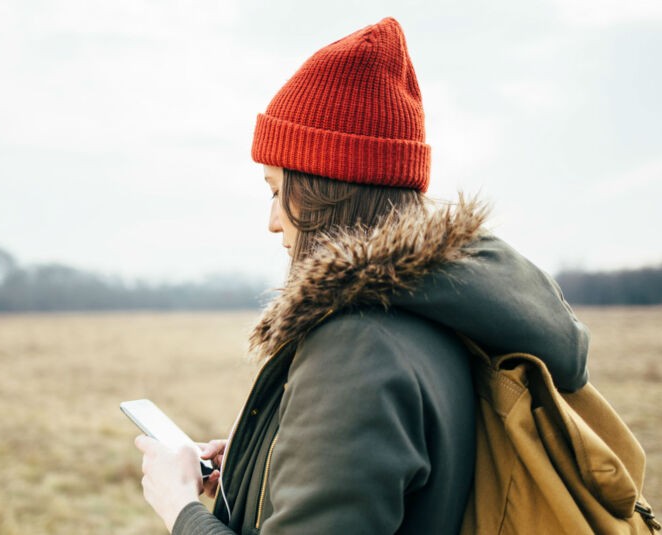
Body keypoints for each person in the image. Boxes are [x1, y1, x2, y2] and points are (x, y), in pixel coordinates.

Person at [134, 17, 589, 534]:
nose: (272, 220)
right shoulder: (429, 311)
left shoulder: (357, 348)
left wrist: (180, 508)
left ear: (324, 189)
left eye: (276, 189)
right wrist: (257, 460)